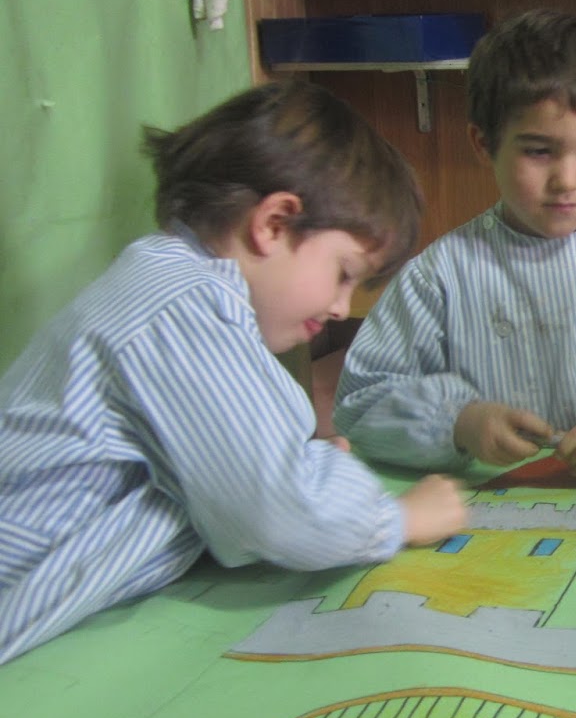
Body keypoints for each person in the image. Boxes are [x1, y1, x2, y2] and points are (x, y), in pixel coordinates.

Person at [0, 82, 469, 666]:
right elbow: (275, 513)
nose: (341, 307)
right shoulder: (183, 303)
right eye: (344, 273)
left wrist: (294, 467)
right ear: (273, 224)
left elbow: (241, 484)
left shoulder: (173, 286)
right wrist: (394, 518)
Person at [335, 8, 576, 483]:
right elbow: (361, 401)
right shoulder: (439, 277)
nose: (567, 180)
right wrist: (460, 422)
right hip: (484, 508)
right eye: (539, 151)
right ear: (483, 144)